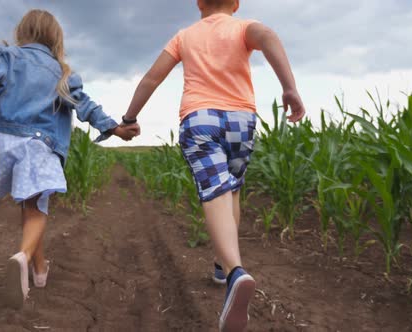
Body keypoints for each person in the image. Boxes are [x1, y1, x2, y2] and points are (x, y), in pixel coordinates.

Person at [0, 9, 139, 309]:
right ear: (55, 39)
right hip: (39, 141)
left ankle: (40, 269)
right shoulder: (61, 72)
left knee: (31, 202)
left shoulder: (7, 56)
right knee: (38, 208)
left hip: (5, 140)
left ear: (22, 32)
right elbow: (83, 105)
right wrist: (114, 128)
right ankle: (23, 257)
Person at [121, 0, 305, 330]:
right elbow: (268, 35)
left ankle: (235, 271)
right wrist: (289, 87)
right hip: (241, 120)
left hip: (200, 118)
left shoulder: (184, 36)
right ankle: (221, 266)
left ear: (199, 3)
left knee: (215, 190)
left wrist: (130, 117)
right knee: (231, 190)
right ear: (235, 4)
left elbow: (151, 79)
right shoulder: (242, 27)